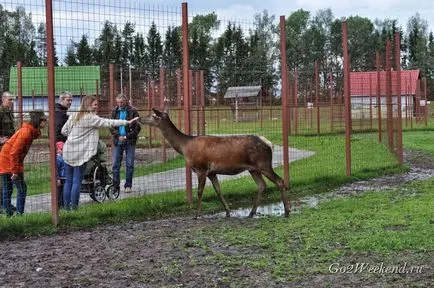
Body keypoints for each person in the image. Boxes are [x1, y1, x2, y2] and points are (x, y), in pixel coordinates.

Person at [61, 95, 139, 210]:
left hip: (68, 150)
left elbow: (64, 131)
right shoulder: (91, 118)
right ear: (89, 105)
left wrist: (75, 138)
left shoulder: (74, 115)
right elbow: (108, 122)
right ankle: (74, 209)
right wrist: (127, 122)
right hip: (79, 154)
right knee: (77, 181)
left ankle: (66, 208)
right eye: (95, 104)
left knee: (68, 181)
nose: (97, 107)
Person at [0, 110, 47, 216]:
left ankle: (8, 214)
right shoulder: (26, 133)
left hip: (6, 159)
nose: (45, 122)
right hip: (9, 161)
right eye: (44, 120)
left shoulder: (29, 131)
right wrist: (15, 171)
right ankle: (18, 214)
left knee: (8, 188)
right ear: (38, 121)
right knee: (21, 188)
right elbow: (14, 153)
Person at [109, 94, 141, 193]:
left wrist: (127, 136)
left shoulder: (133, 111)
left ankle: (128, 185)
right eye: (118, 102)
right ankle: (115, 186)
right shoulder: (115, 111)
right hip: (117, 140)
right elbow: (111, 125)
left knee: (129, 164)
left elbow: (138, 127)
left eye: (122, 102)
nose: (120, 104)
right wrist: (118, 135)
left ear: (126, 101)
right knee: (115, 165)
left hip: (130, 141)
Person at [0, 91, 16, 214]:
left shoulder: (9, 112)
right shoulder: (1, 112)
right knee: (4, 178)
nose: (12, 102)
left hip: (9, 148)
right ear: (3, 100)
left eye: (13, 99)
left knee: (8, 179)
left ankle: (6, 203)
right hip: (2, 149)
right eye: (10, 99)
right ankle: (3, 205)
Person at [56, 141, 66, 209]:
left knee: (64, 192)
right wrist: (57, 178)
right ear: (57, 150)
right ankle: (59, 205)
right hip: (60, 178)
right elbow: (56, 170)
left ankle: (64, 204)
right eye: (61, 149)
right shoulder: (57, 159)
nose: (63, 151)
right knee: (59, 192)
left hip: (65, 177)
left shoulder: (63, 157)